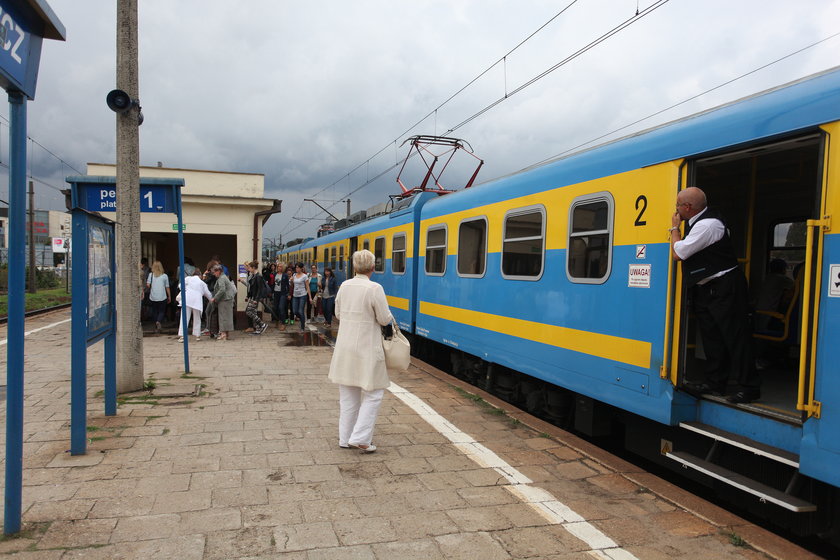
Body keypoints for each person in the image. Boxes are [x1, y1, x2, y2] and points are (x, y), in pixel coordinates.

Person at [670, 187, 759, 403]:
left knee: (735, 337)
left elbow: (677, 253)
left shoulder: (707, 225)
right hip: (708, 288)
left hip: (725, 287)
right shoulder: (700, 222)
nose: (676, 210)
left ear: (687, 208)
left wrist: (674, 229)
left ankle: (750, 387)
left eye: (678, 206)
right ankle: (715, 383)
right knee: (713, 338)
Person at [328, 250, 394, 453]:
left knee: (348, 395)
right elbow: (384, 319)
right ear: (373, 268)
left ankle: (345, 438)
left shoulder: (345, 286)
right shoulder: (374, 288)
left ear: (354, 267)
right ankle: (361, 438)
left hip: (345, 346)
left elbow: (338, 313)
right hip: (367, 346)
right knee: (374, 393)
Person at [178, 269, 212, 342]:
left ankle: (182, 336)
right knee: (197, 318)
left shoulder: (188, 279)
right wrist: (212, 300)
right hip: (197, 301)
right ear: (199, 275)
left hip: (187, 299)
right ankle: (197, 336)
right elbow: (208, 294)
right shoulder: (202, 283)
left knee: (184, 317)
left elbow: (180, 286)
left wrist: (187, 289)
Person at [239, 260, 268, 335]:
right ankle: (258, 328)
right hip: (253, 297)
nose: (249, 269)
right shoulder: (254, 276)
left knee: (249, 311)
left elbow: (259, 289)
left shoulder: (258, 276)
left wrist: (256, 299)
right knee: (253, 312)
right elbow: (251, 288)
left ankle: (262, 324)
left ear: (253, 268)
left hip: (255, 298)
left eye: (250, 268)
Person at [210, 264, 235, 340]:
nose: (214, 274)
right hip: (228, 299)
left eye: (214, 272)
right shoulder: (224, 277)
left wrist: (215, 298)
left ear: (218, 271)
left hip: (224, 299)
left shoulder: (221, 278)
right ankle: (226, 334)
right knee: (227, 317)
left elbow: (222, 290)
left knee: (223, 316)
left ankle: (223, 334)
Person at [146, 260, 170, 333]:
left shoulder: (151, 275)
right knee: (162, 311)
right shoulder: (165, 276)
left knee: (154, 311)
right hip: (162, 296)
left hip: (153, 296)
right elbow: (167, 287)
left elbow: (148, 285)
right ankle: (158, 321)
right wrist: (169, 296)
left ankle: (156, 323)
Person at [291, 262, 311, 331]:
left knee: (300, 311)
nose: (297, 269)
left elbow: (307, 287)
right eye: (296, 267)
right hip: (295, 295)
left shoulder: (305, 276)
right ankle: (302, 319)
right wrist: (291, 281)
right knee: (295, 311)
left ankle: (302, 326)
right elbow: (292, 285)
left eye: (298, 267)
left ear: (301, 268)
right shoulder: (294, 275)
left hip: (303, 295)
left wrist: (310, 297)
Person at [273, 262, 290, 330]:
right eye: (278, 266)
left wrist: (288, 294)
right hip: (276, 292)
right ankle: (277, 321)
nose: (279, 268)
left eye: (280, 266)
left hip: (282, 293)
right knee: (276, 308)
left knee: (281, 307)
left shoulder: (285, 275)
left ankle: (283, 323)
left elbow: (287, 285)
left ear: (283, 268)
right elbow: (272, 283)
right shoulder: (275, 274)